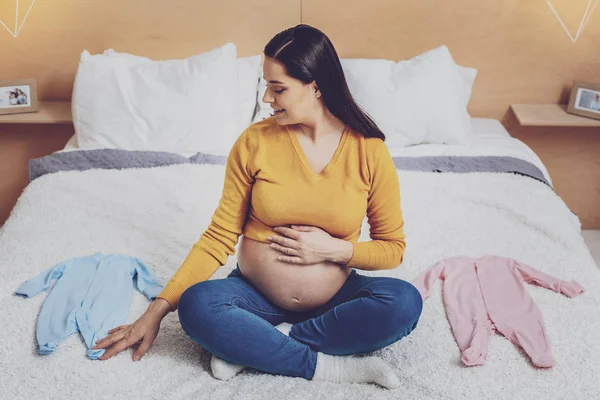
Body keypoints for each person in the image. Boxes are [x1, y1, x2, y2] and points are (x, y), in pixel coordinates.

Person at [92, 24, 422, 389]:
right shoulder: (255, 142)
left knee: (403, 302)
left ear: (316, 86)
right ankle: (324, 365)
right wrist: (155, 311)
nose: (267, 98)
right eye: (266, 86)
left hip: (334, 299)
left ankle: (262, 343)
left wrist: (333, 250)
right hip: (254, 297)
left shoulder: (368, 151)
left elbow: (392, 249)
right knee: (197, 305)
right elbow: (219, 236)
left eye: (278, 88)